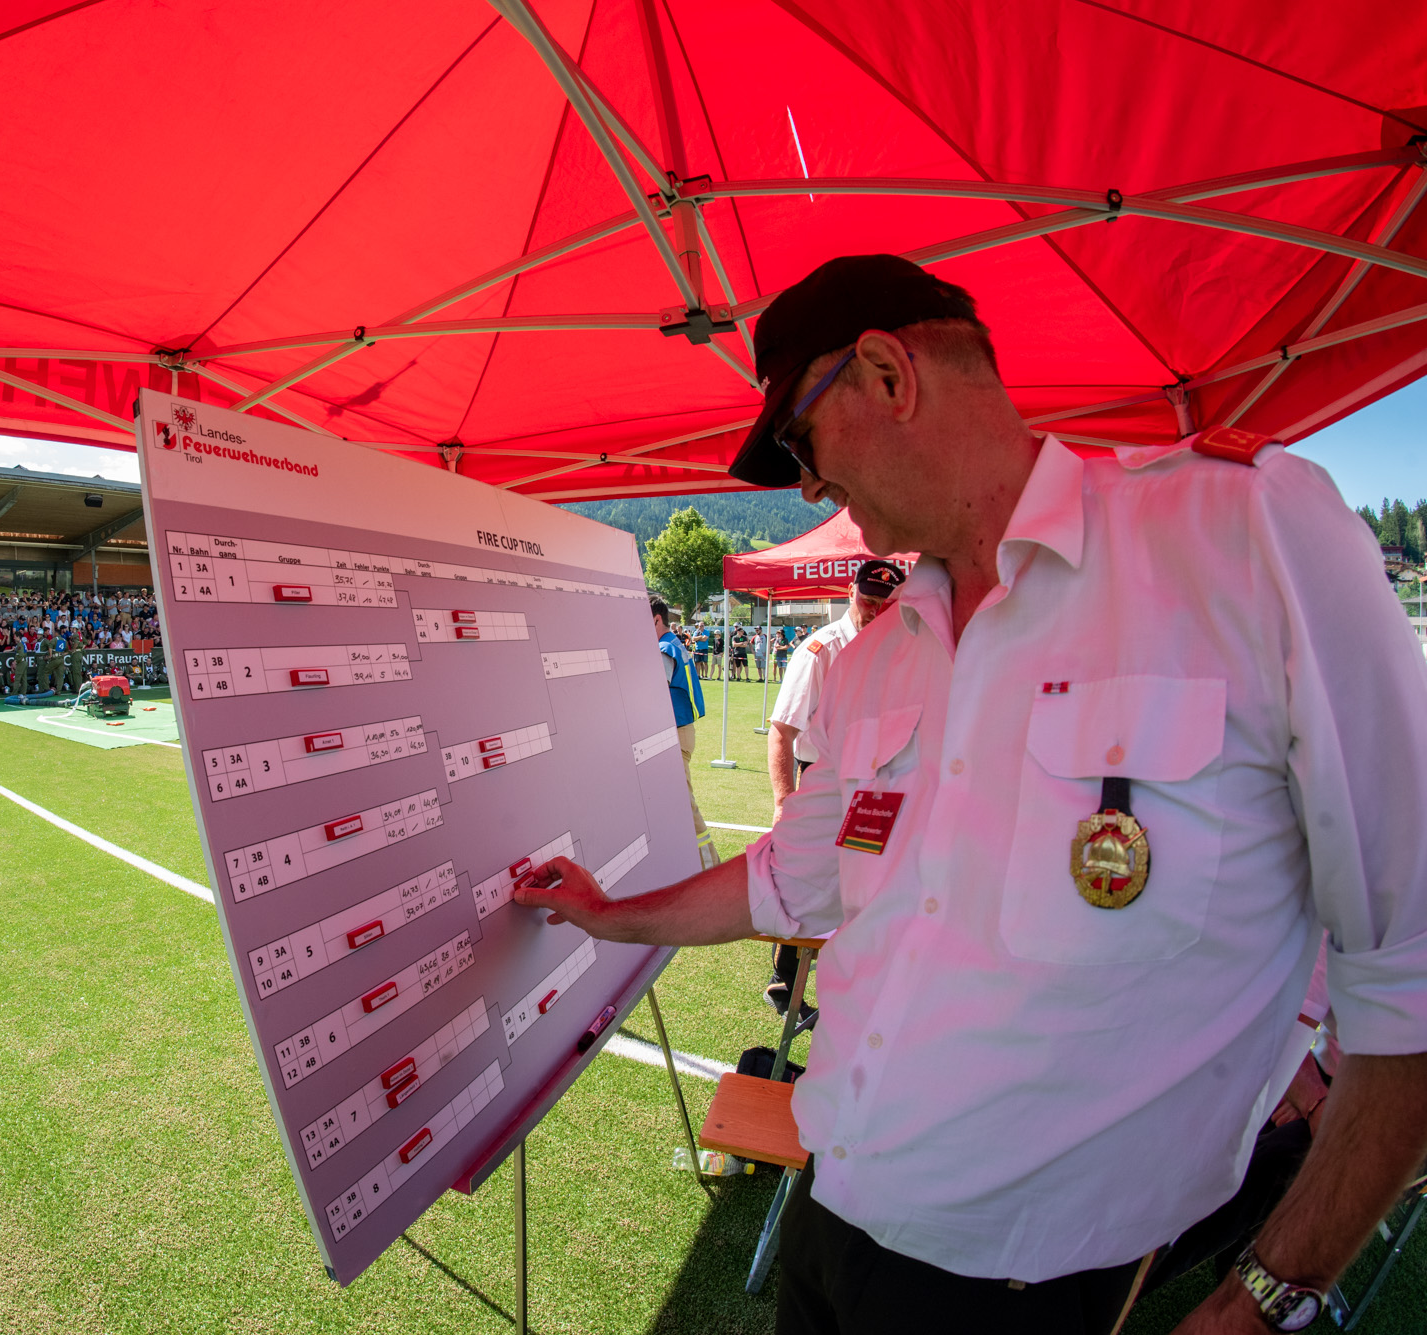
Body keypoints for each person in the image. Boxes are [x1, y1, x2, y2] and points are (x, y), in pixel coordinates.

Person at [516, 254, 1427, 1335]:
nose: (806, 487)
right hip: (831, 1202)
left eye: (799, 441)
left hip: (1024, 1282)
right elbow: (785, 879)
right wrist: (610, 916)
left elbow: (1409, 970)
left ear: (886, 375)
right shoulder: (876, 656)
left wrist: (1263, 1301)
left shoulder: (1240, 538)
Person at [759, 559, 906, 1016]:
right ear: (849, 593)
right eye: (868, 600)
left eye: (886, 603)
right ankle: (785, 982)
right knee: (809, 881)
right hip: (823, 780)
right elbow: (781, 731)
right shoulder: (820, 650)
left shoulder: (900, 645)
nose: (875, 610)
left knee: (864, 884)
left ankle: (850, 984)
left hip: (876, 783)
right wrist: (784, 802)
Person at [651, 598, 712, 862]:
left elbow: (655, 690)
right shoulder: (673, 643)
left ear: (656, 619)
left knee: (685, 804)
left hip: (676, 733)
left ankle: (708, 864)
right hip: (680, 731)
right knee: (674, 802)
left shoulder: (664, 648)